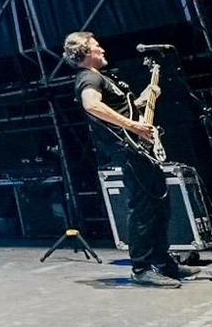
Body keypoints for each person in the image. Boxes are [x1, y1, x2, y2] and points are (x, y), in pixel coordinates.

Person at [64, 31, 186, 288]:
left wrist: (146, 97)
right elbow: (91, 105)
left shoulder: (106, 79)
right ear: (84, 53)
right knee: (143, 208)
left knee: (159, 206)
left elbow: (125, 107)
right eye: (97, 47)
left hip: (138, 147)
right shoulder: (88, 77)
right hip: (127, 148)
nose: (103, 50)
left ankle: (163, 262)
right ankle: (141, 268)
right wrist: (132, 125)